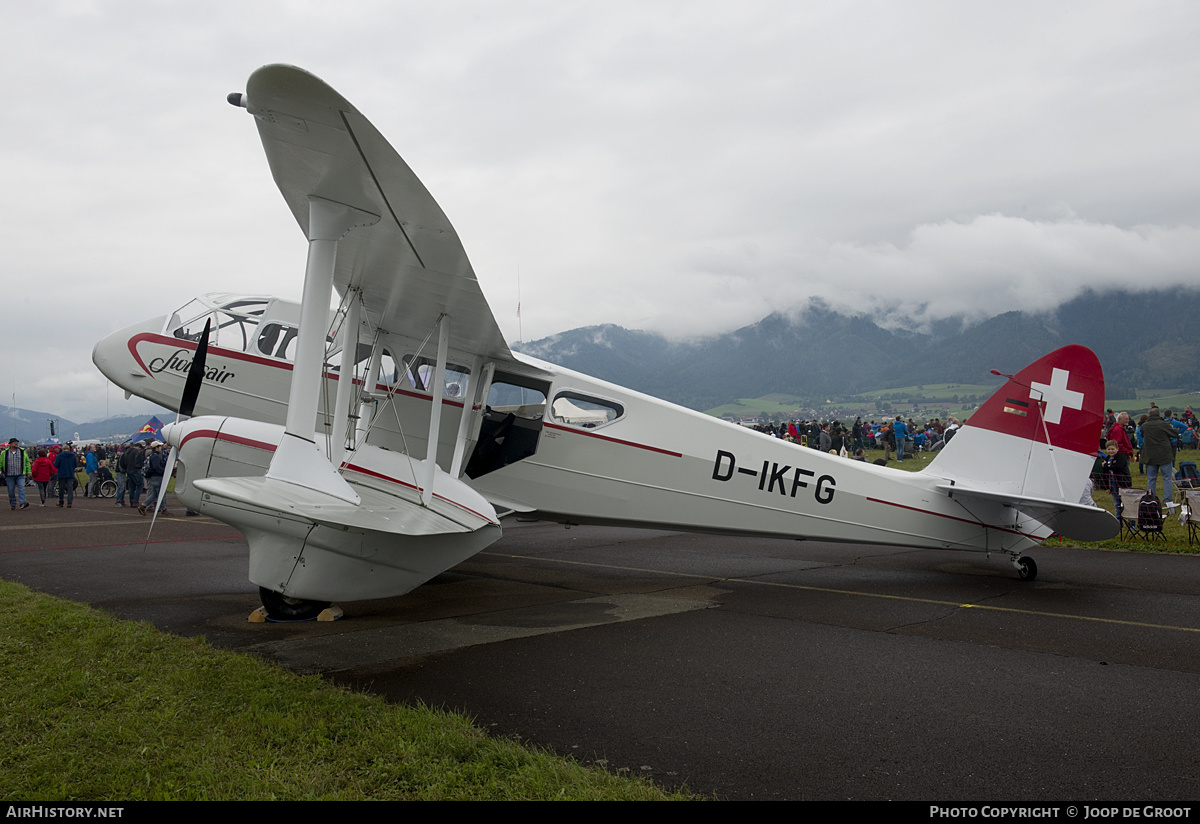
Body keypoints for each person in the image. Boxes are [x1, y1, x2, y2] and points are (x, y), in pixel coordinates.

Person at [1141, 407, 1179, 505]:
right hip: (1164, 455)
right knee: (1167, 478)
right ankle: (1168, 500)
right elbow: (1175, 433)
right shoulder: (1164, 424)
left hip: (1150, 455)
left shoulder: (1145, 426)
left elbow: (1142, 434)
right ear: (1159, 415)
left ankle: (1151, 499)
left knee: (1151, 479)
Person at [140, 442, 170, 517]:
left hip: (153, 477)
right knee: (161, 494)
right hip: (157, 477)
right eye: (159, 447)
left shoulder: (151, 456)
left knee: (154, 494)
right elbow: (157, 467)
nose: (161, 448)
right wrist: (164, 472)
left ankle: (143, 505)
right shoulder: (156, 457)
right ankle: (163, 509)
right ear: (156, 447)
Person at [4, 438, 30, 510]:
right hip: (9, 475)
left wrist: (29, 471)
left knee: (21, 488)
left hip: (20, 474)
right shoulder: (5, 453)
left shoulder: (22, 452)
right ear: (10, 444)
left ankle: (22, 503)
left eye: (17, 442)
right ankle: (13, 504)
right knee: (11, 490)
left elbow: (27, 462)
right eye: (14, 442)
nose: (16, 443)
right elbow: (1, 462)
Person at [54, 444, 78, 508]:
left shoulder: (59, 456)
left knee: (61, 489)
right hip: (70, 473)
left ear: (62, 449)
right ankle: (69, 502)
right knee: (70, 488)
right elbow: (76, 464)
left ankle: (61, 502)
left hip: (61, 474)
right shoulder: (73, 456)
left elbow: (56, 465)